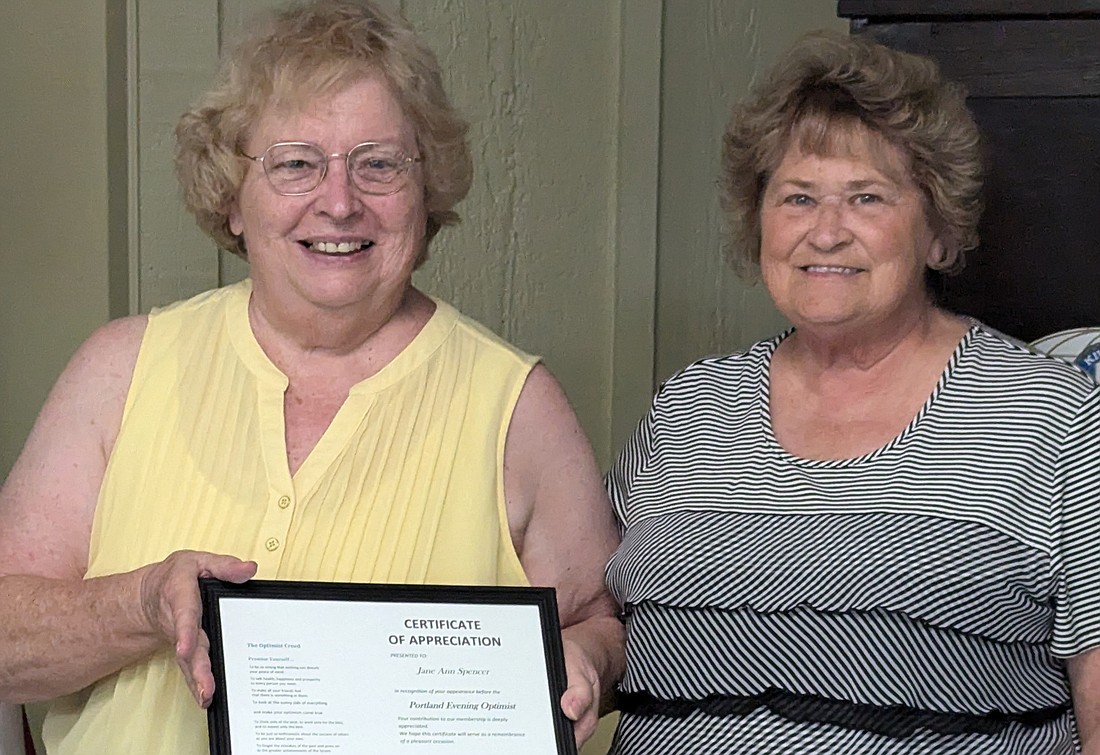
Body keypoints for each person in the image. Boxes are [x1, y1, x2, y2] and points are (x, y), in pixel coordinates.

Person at [0, 1, 623, 753]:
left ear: (425, 197)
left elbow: (598, 622)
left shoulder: (517, 406)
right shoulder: (120, 369)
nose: (338, 200)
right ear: (232, 197)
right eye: (295, 162)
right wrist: (141, 604)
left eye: (379, 163)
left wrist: (588, 659)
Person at [605, 30, 1100, 754]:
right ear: (759, 223)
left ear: (937, 231)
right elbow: (598, 620)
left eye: (866, 197)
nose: (826, 232)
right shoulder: (688, 407)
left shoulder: (1052, 416)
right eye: (798, 197)